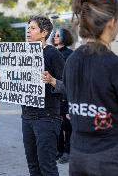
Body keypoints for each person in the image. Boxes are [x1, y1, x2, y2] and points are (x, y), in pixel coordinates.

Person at [41, 0, 118, 176]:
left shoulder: (72, 60)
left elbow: (69, 95)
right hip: (113, 157)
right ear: (111, 23)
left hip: (78, 154)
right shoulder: (117, 66)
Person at [0, 16, 65, 176]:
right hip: (27, 117)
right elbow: (18, 79)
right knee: (33, 166)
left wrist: (52, 80)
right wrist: (2, 78)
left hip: (47, 118)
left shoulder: (53, 54)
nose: (28, 30)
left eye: (33, 28)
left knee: (47, 166)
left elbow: (68, 87)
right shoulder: (22, 52)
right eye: (28, 27)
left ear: (44, 32)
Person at [51, 28, 73, 164]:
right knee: (57, 126)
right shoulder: (52, 52)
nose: (55, 37)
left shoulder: (71, 54)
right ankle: (58, 150)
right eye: (55, 35)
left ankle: (68, 151)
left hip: (67, 95)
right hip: (54, 96)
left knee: (67, 127)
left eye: (58, 35)